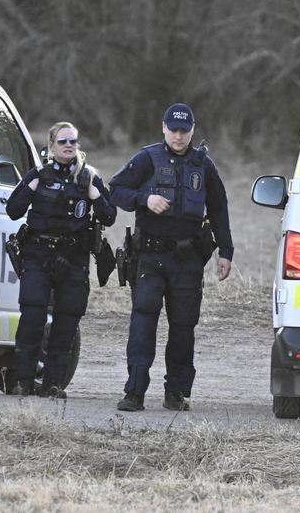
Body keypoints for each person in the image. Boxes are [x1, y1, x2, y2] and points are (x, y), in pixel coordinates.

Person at [109, 103, 233, 412]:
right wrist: (144, 199)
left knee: (183, 327)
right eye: (173, 130)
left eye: (184, 131)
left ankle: (175, 392)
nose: (178, 136)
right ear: (164, 128)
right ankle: (134, 392)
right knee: (143, 323)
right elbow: (116, 189)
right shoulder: (147, 159)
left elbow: (219, 208)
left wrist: (226, 252)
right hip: (150, 257)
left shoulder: (204, 165)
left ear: (192, 130)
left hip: (188, 259)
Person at [5, 121, 116, 398]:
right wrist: (30, 186)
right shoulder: (38, 175)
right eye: (63, 142)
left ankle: (54, 384)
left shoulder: (89, 177)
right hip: (38, 255)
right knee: (32, 318)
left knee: (66, 323)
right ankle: (23, 382)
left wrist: (94, 194)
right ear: (52, 146)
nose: (69, 146)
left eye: (73, 142)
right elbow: (13, 210)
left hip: (73, 257)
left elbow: (110, 216)